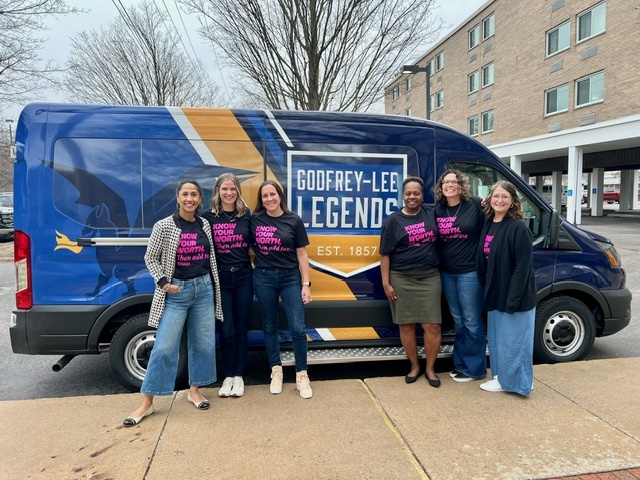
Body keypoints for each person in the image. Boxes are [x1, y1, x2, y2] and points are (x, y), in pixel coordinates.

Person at [123, 179, 224, 426]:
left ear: (200, 199)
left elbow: (210, 258)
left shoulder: (204, 225)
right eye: (185, 194)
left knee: (202, 344)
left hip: (203, 289)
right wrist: (164, 283)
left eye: (194, 195)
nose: (190, 199)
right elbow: (151, 257)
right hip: (177, 292)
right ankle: (146, 403)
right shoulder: (164, 226)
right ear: (178, 198)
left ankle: (194, 390)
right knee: (165, 347)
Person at [250, 180, 313, 399]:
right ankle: (276, 370)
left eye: (272, 194)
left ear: (280, 196)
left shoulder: (293, 220)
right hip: (264, 278)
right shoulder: (255, 220)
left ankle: (302, 374)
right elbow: (244, 245)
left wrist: (306, 284)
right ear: (262, 199)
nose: (269, 199)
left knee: (297, 328)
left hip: (289, 278)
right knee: (269, 326)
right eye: (265, 196)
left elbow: (302, 254)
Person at [380, 176, 443, 388]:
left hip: (429, 277)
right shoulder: (393, 220)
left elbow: (456, 210)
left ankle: (430, 369)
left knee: (432, 325)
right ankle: (414, 366)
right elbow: (385, 254)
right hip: (401, 278)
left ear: (422, 195)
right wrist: (386, 283)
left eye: (416, 193)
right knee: (406, 325)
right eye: (408, 193)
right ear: (403, 195)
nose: (412, 197)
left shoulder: (432, 212)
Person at [476, 180, 536, 396]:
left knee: (515, 343)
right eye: (496, 196)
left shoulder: (518, 228)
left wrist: (513, 299)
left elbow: (522, 268)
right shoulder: (490, 222)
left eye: (505, 197)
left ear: (512, 202)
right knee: (499, 341)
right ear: (489, 199)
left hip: (515, 297)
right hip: (496, 293)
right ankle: (503, 378)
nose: (499, 200)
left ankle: (517, 383)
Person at [202, 173, 253, 398]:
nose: (229, 193)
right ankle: (228, 376)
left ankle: (239, 376)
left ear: (238, 190)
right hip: (220, 279)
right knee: (226, 329)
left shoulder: (246, 215)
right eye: (225, 189)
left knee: (241, 329)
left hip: (243, 278)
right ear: (217, 191)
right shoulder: (207, 217)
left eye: (233, 189)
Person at [435, 169, 487, 383]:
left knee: (472, 320)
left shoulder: (475, 204)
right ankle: (461, 364)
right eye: (445, 182)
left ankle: (475, 369)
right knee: (458, 321)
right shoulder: (438, 210)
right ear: (441, 187)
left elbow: (497, 210)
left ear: (461, 184)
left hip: (470, 273)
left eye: (453, 181)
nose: (449, 185)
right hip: (447, 273)